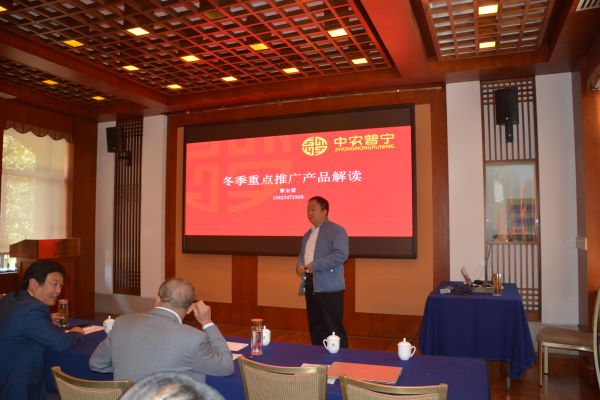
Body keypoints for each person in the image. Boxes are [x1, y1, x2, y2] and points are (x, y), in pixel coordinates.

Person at [89, 277, 234, 382]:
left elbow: (96, 363)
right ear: (190, 308)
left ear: (157, 298)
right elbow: (226, 367)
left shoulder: (122, 322)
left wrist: (128, 369)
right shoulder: (194, 339)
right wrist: (207, 323)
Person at [0, 260, 84, 400]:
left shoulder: (11, 298)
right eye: (55, 284)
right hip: (19, 386)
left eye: (61, 285)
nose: (59, 291)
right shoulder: (33, 309)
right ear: (34, 283)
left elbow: (17, 320)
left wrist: (47, 318)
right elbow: (60, 343)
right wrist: (76, 332)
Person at [296, 196, 349, 348]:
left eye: (313, 209)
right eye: (308, 209)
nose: (309, 213)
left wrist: (314, 265)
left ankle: (341, 358)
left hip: (329, 287)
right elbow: (301, 256)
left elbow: (341, 254)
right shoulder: (308, 234)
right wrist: (299, 266)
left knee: (333, 328)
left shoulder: (337, 231)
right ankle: (317, 357)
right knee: (316, 326)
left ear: (324, 212)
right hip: (310, 284)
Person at [119, 371, 224, 400]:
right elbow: (225, 367)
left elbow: (106, 365)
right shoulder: (195, 337)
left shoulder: (120, 327)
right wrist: (208, 324)